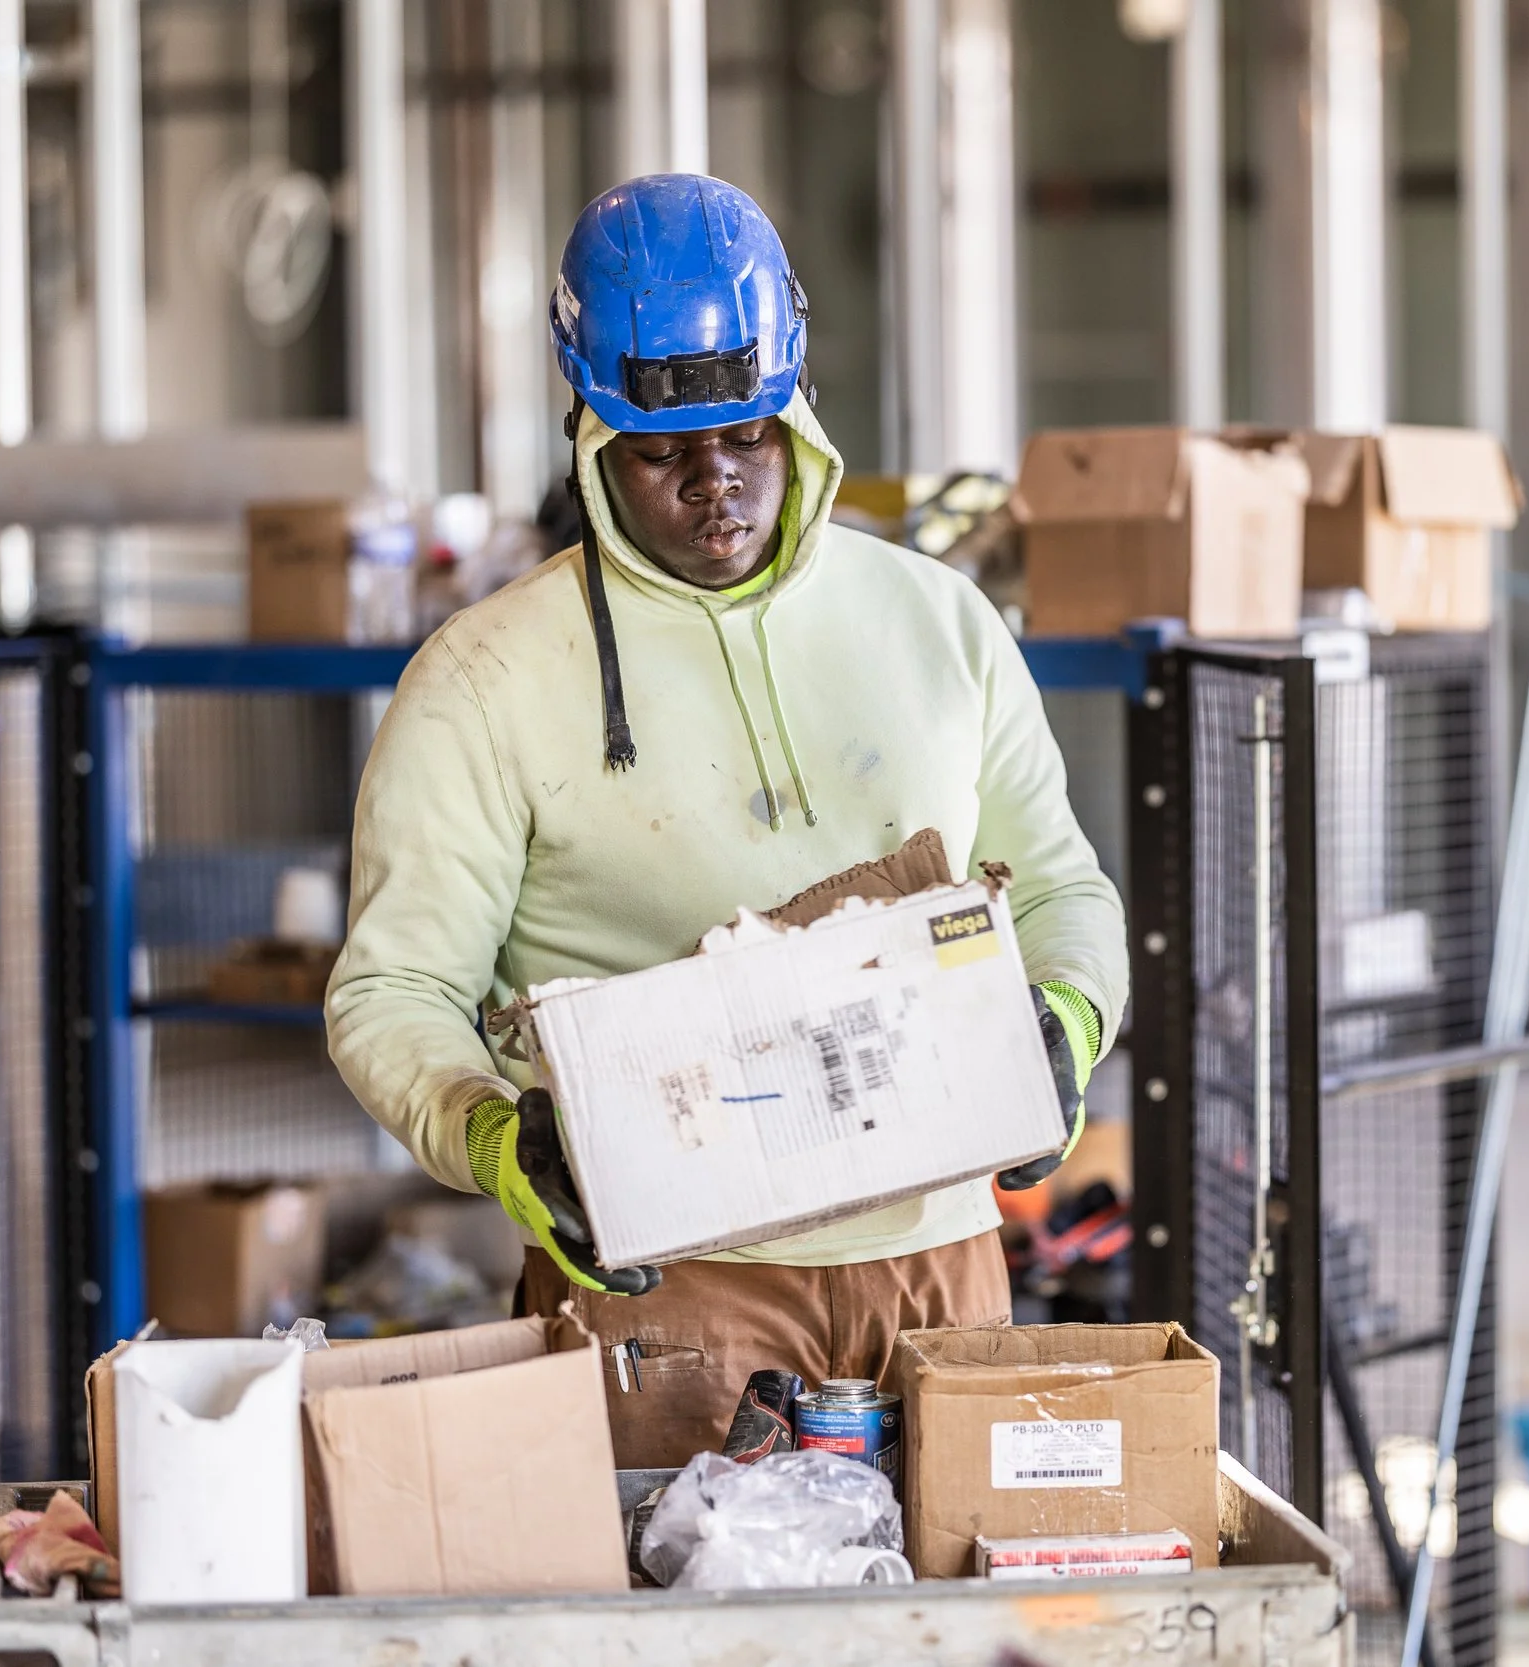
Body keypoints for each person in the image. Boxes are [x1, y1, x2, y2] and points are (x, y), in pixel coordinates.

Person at [325, 174, 1126, 1467]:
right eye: (662, 453)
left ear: (794, 402)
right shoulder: (482, 679)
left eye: (748, 434)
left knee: (959, 1587)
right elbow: (393, 989)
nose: (716, 483)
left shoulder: (940, 623)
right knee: (673, 1585)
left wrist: (1067, 1021)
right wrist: (495, 1137)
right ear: (590, 430)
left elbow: (1059, 891)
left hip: (940, 1259)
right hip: (666, 1289)